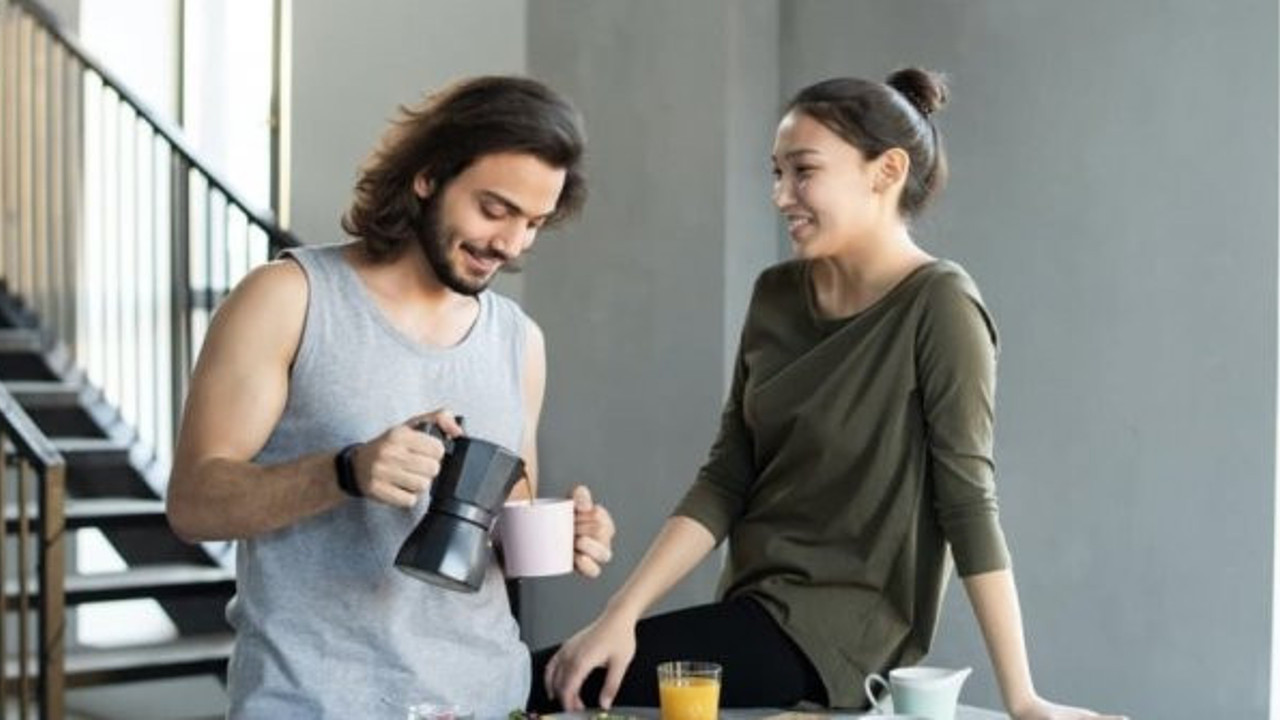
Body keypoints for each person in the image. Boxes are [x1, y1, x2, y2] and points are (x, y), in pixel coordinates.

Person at [533, 69, 1125, 720]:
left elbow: (968, 502)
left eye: (803, 171)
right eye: (776, 173)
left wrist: (1022, 698)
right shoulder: (775, 296)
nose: (781, 195)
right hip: (754, 612)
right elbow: (728, 477)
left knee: (538, 682)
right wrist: (621, 614)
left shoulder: (941, 305)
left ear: (886, 170)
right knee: (554, 676)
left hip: (840, 640)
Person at [166, 75, 616, 719]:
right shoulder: (288, 298)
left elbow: (500, 533)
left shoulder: (520, 342)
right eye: (494, 210)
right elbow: (193, 504)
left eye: (534, 223)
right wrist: (345, 471)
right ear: (428, 176)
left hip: (485, 700)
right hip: (314, 702)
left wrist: (563, 535)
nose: (512, 245)